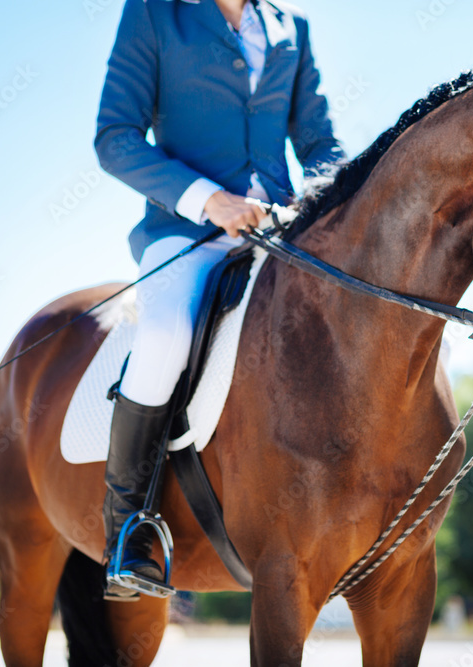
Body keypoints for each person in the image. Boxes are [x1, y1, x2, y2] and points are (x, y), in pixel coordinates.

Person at [94, 0, 343, 599]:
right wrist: (209, 199)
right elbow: (114, 138)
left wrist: (327, 196)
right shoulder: (154, 14)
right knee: (165, 335)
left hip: (281, 230)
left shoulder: (291, 27)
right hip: (187, 231)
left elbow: (319, 142)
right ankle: (127, 530)